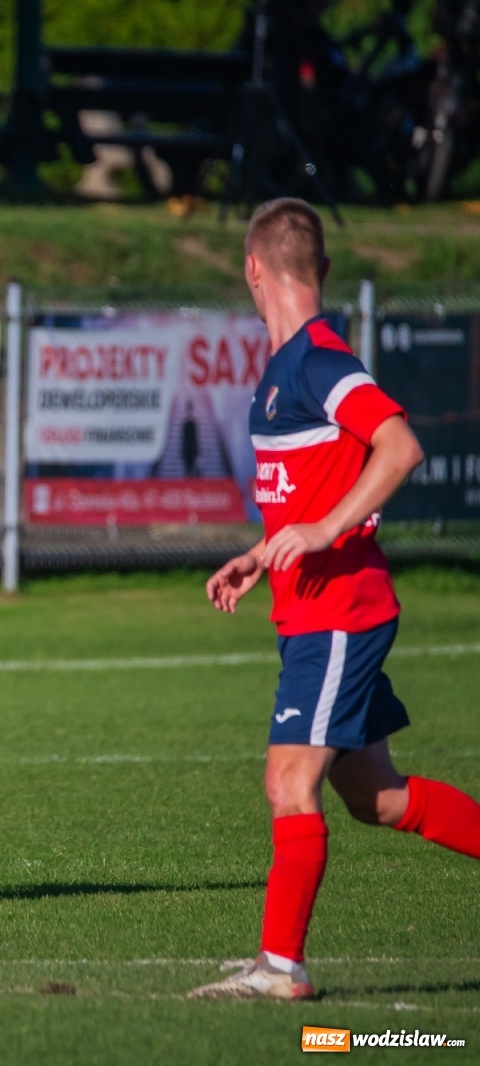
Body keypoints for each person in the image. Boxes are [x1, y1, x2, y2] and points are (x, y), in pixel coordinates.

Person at [189, 198, 480, 1000]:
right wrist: (261, 554)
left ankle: (281, 968)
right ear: (319, 267)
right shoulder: (286, 370)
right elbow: (311, 490)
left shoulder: (318, 359)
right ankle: (278, 965)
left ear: (253, 268)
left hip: (339, 613)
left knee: (288, 781)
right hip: (316, 612)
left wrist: (321, 531)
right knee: (376, 797)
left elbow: (400, 446)